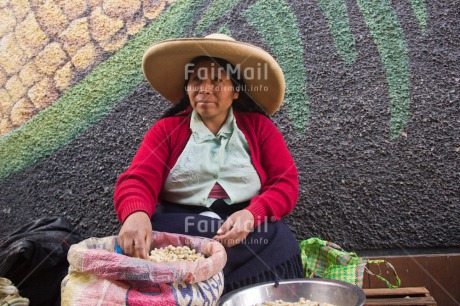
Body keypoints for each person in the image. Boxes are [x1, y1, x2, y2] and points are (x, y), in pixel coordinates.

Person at [114, 33, 304, 293]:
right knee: (154, 238)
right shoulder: (166, 130)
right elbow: (138, 179)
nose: (204, 89)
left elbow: (285, 183)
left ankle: (233, 292)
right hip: (181, 226)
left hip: (243, 226)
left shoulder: (260, 129)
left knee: (279, 241)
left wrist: (252, 214)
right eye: (197, 80)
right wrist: (136, 214)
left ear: (235, 91)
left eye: (217, 81)